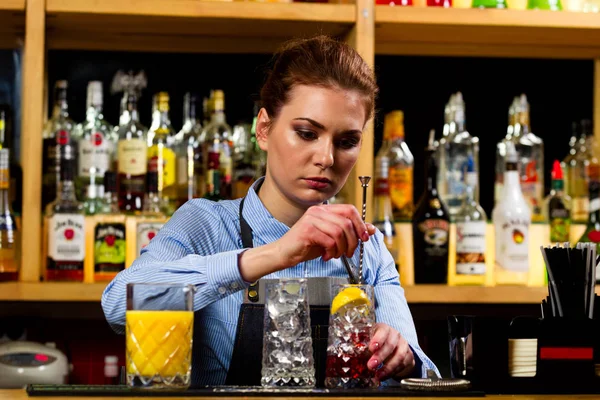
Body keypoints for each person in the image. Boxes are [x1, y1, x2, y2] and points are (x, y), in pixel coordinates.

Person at [102, 35, 439, 386]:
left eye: (346, 142)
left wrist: (404, 360)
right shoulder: (205, 224)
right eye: (307, 133)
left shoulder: (367, 249)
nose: (326, 158)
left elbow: (426, 378)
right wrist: (276, 254)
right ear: (264, 129)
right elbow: (117, 305)